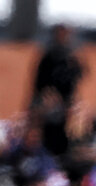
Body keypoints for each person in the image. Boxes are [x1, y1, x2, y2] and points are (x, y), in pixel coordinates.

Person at [32, 24, 84, 155]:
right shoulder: (48, 55)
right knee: (50, 130)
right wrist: (49, 97)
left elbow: (78, 76)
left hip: (66, 101)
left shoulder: (72, 55)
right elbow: (40, 82)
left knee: (69, 131)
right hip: (51, 101)